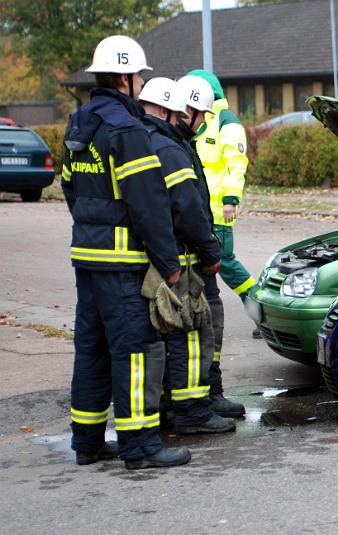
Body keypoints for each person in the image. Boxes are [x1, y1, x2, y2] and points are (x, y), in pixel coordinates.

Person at [61, 35, 190, 470]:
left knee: (91, 349)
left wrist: (90, 231)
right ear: (124, 78)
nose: (140, 82)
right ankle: (140, 447)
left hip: (88, 259)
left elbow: (69, 186)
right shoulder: (128, 129)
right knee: (134, 350)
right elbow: (148, 203)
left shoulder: (79, 122)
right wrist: (168, 263)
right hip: (123, 266)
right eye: (138, 75)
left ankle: (87, 443)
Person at [138, 77, 236, 435]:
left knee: (171, 337)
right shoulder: (170, 147)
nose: (203, 123)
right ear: (186, 110)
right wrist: (209, 249)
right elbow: (187, 207)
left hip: (161, 256)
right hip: (183, 256)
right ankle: (193, 412)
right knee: (191, 335)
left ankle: (182, 405)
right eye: (201, 116)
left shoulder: (148, 140)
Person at [183, 68, 248, 418]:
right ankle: (203, 391)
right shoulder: (196, 123)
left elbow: (236, 163)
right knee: (207, 301)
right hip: (196, 218)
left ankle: (254, 299)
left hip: (215, 217)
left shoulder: (224, 121)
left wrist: (231, 200)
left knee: (225, 270)